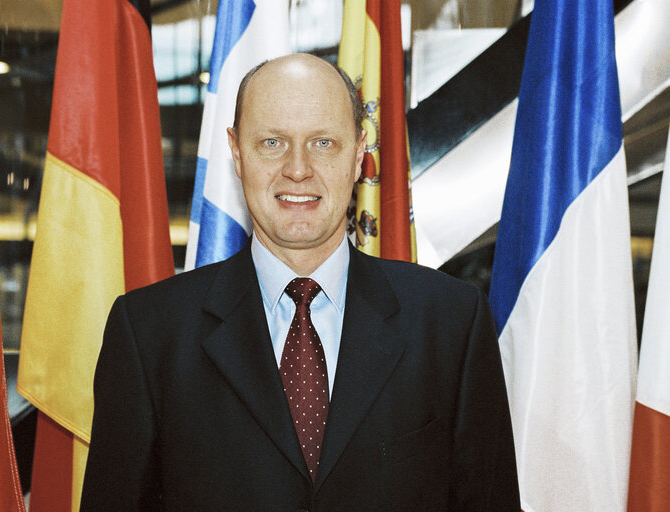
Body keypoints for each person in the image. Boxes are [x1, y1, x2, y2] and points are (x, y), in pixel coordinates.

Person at [80, 53, 519, 511]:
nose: (297, 168)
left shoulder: (451, 324)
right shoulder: (148, 333)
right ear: (235, 152)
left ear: (358, 152)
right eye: (272, 142)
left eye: (324, 143)